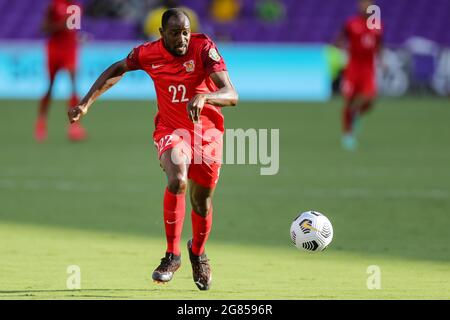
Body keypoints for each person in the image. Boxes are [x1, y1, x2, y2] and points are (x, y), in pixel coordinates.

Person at [68, 8, 238, 291]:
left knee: (202, 201)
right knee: (177, 179)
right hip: (171, 131)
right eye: (175, 33)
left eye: (185, 32)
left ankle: (197, 252)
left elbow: (232, 94)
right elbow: (117, 68)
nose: (182, 38)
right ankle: (172, 255)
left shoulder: (203, 47)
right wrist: (86, 103)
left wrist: (205, 97)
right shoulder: (148, 54)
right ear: (162, 34)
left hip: (207, 136)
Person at [35, 0, 87, 142]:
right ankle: (41, 122)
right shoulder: (54, 5)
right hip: (54, 49)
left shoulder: (78, 6)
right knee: (50, 87)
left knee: (73, 85)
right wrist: (59, 26)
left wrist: (78, 37)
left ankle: (74, 126)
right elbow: (44, 28)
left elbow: (73, 29)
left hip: (70, 49)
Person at [336, 0, 383, 150]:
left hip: (368, 68)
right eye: (363, 4)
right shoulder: (351, 24)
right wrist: (341, 51)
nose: (365, 6)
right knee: (349, 101)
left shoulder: (377, 25)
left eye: (368, 4)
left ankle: (356, 115)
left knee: (370, 99)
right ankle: (347, 134)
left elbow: (379, 44)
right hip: (353, 68)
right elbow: (339, 40)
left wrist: (381, 59)